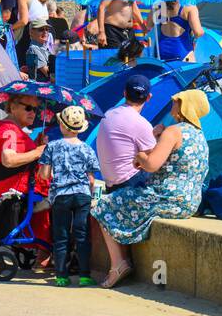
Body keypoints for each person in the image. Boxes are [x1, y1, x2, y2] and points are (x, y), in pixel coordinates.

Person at [91, 89, 210, 288]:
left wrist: (140, 156)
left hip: (165, 198)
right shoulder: (199, 135)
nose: (172, 103)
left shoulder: (173, 132)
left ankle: (118, 264)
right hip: (189, 202)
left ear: (184, 106)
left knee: (103, 205)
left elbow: (152, 164)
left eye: (176, 101)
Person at [38, 105, 102, 287]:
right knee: (82, 235)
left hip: (61, 196)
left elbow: (44, 175)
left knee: (61, 235)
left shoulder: (52, 146)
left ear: (62, 125)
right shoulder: (87, 149)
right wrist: (89, 197)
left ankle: (61, 276)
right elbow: (91, 179)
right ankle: (84, 276)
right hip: (82, 195)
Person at [95, 74, 157, 192]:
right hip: (129, 183)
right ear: (149, 97)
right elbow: (156, 157)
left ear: (124, 93)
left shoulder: (109, 113)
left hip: (110, 183)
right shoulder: (141, 124)